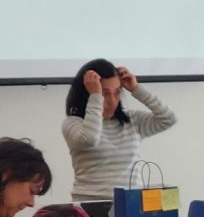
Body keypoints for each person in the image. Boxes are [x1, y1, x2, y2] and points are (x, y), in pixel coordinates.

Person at [61, 59, 175, 204]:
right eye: (104, 94)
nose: (113, 101)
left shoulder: (132, 120)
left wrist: (136, 88)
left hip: (131, 204)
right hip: (91, 207)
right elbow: (89, 139)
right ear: (88, 95)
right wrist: (95, 96)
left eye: (117, 93)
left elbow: (168, 118)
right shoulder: (73, 123)